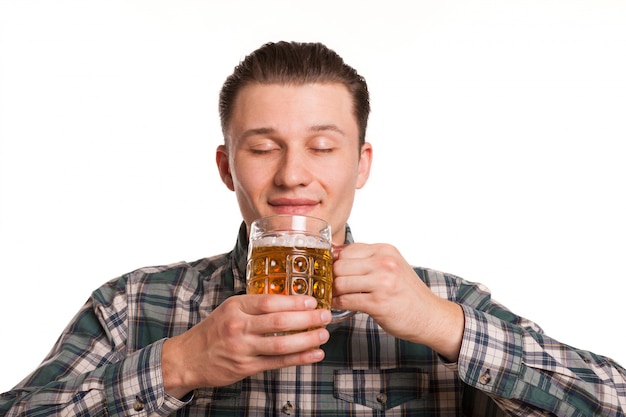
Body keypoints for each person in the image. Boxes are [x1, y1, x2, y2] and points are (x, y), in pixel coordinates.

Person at [1, 41, 624, 417]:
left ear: (362, 163)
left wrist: (442, 326)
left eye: (322, 147)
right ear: (227, 168)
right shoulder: (131, 304)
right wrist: (177, 364)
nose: (293, 175)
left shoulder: (445, 304)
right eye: (263, 147)